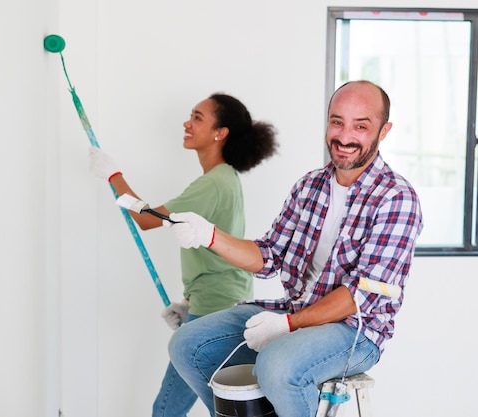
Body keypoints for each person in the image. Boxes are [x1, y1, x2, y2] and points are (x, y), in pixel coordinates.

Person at [163, 80, 424, 417]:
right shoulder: (310, 185)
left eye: (361, 126)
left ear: (383, 131)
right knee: (186, 344)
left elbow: (360, 297)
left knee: (277, 364)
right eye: (337, 121)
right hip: (295, 309)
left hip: (357, 330)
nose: (345, 136)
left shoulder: (397, 198)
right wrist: (209, 235)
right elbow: (269, 255)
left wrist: (288, 325)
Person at [88, 93, 278, 417]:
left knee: (171, 410)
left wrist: (113, 175)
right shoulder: (221, 179)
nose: (187, 123)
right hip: (215, 306)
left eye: (198, 117)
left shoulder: (215, 183)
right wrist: (189, 304)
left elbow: (147, 219)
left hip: (216, 311)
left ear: (221, 132)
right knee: (174, 409)